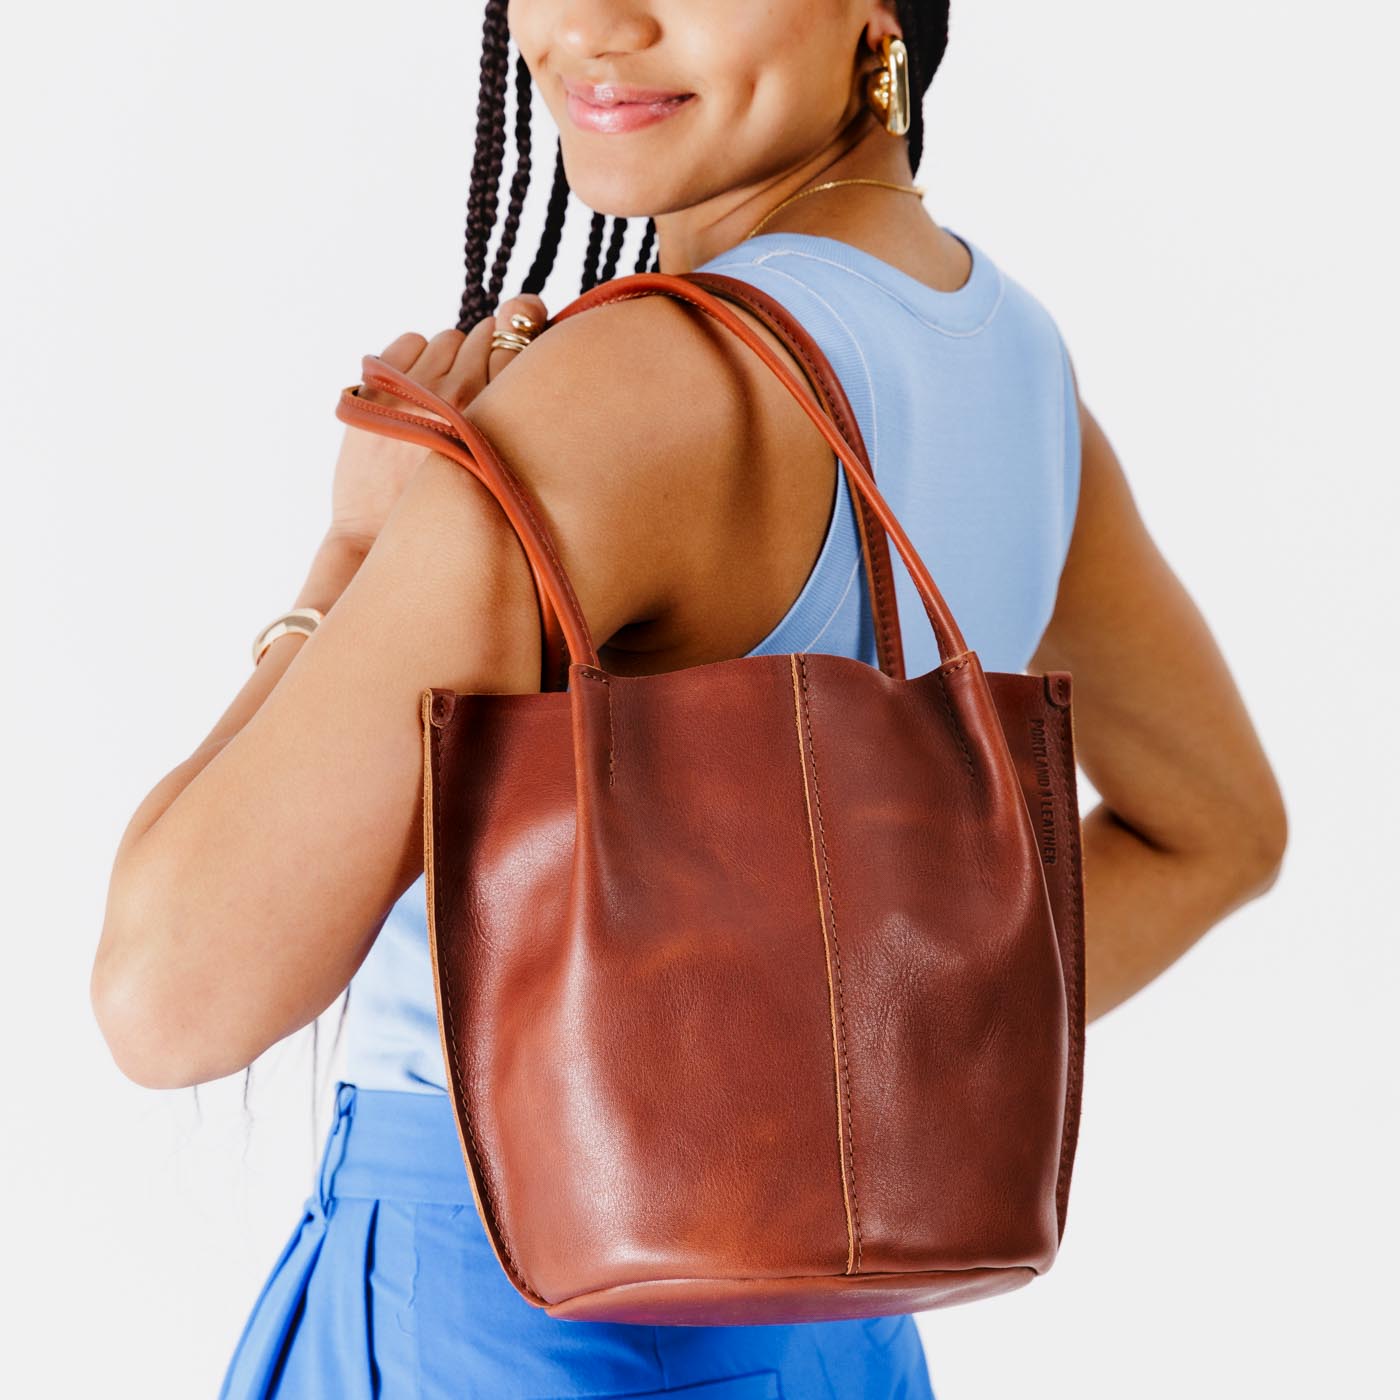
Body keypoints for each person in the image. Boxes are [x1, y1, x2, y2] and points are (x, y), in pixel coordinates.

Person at [91, 0, 1289, 1395]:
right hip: (838, 1340)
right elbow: (1217, 831)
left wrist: (354, 553)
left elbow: (169, 998)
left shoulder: (631, 391)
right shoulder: (1010, 357)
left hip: (503, 1313)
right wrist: (857, 1072)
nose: (598, 24)